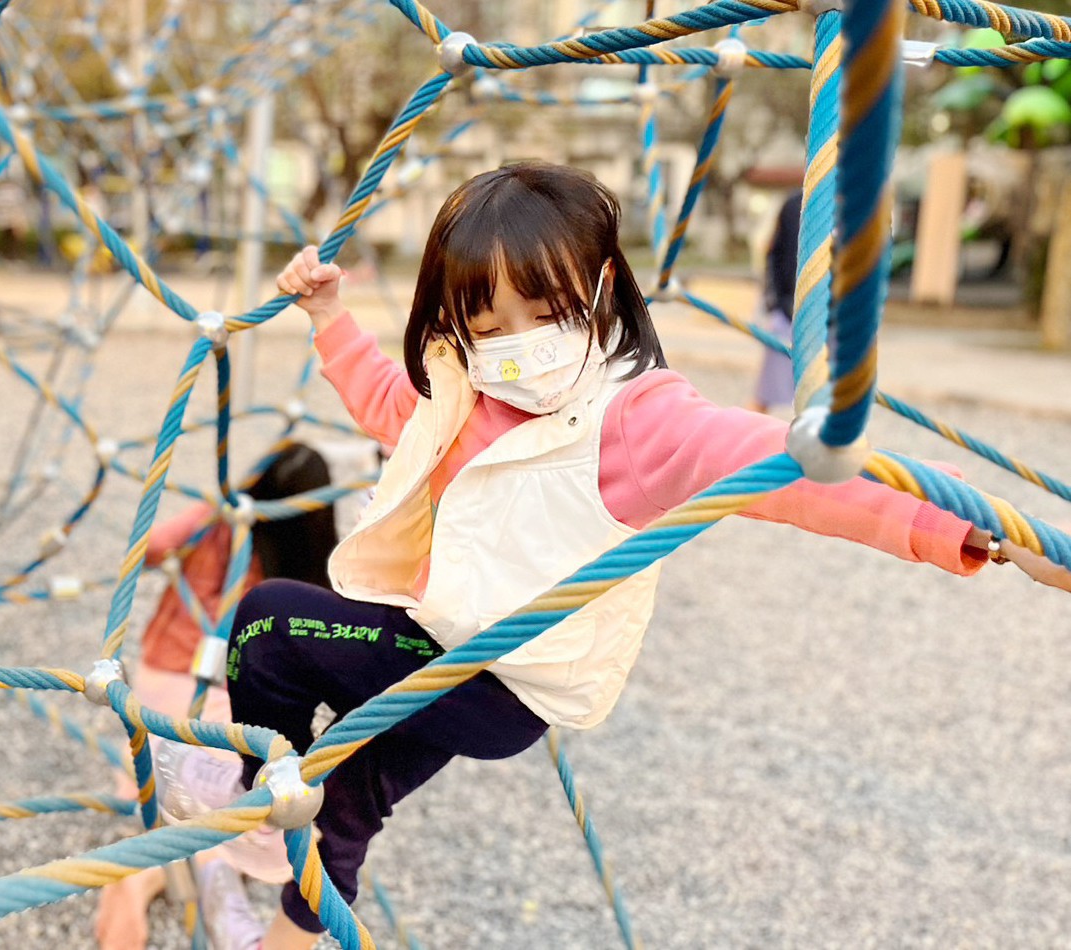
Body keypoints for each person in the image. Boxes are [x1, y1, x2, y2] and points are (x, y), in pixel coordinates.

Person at [186, 162, 1071, 950]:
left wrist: (990, 529)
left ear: (604, 284)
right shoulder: (469, 388)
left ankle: (260, 783)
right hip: (446, 646)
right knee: (348, 800)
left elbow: (801, 477)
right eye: (486, 324)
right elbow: (390, 406)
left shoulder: (638, 423)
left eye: (544, 314)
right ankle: (291, 925)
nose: (515, 344)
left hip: (499, 679)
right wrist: (329, 317)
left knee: (267, 622)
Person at [95, 443, 342, 950]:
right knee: (238, 790)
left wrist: (216, 504)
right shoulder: (304, 565)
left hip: (164, 676)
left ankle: (167, 871)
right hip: (224, 693)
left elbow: (152, 546)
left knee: (175, 784)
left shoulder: (219, 524)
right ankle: (206, 875)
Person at [751, 189, 800, 414]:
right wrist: (774, 301)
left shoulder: (853, 202)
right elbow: (774, 253)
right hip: (787, 309)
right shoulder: (793, 204)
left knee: (827, 393)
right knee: (767, 388)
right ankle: (749, 437)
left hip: (834, 316)